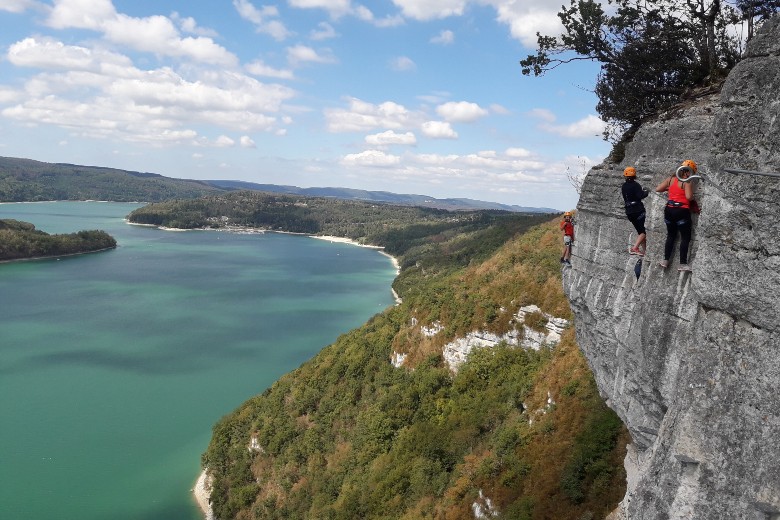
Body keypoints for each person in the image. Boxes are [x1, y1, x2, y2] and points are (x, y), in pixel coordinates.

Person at [655, 160, 697, 272]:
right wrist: (693, 198)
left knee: (671, 235)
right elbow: (688, 197)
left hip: (669, 210)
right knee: (685, 237)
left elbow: (658, 189)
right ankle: (682, 264)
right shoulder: (687, 181)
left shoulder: (670, 179)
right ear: (689, 172)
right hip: (681, 211)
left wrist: (669, 189)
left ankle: (665, 260)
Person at [621, 166, 649, 256]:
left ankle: (644, 251)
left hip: (629, 212)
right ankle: (635, 248)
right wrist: (646, 191)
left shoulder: (624, 186)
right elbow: (640, 196)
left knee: (640, 231)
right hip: (638, 210)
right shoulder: (636, 185)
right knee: (643, 232)